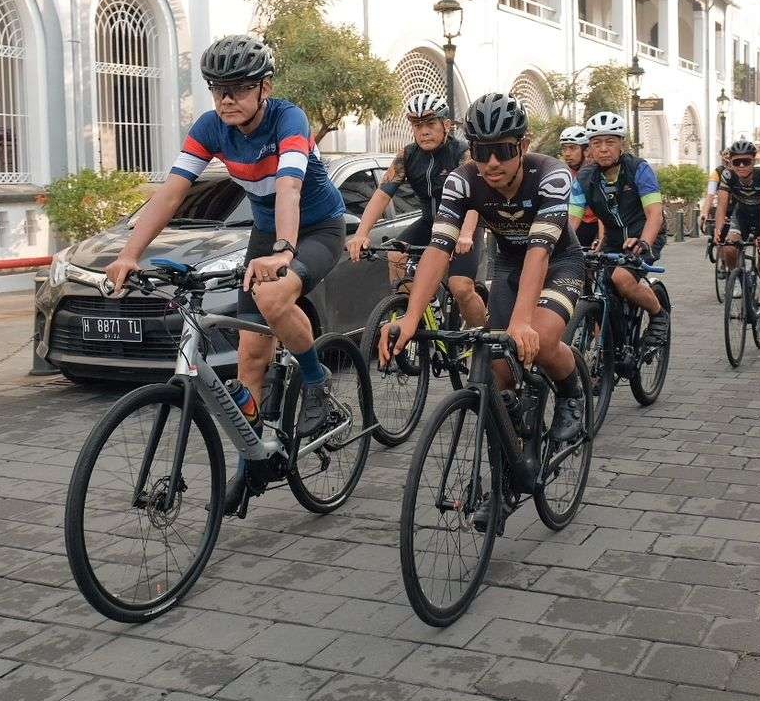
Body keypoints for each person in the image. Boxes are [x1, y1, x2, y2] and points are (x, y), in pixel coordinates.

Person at [105, 34, 345, 436]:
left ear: (265, 87)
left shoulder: (289, 120)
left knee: (272, 296)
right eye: (217, 89)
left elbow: (289, 187)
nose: (225, 99)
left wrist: (284, 252)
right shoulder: (211, 128)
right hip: (266, 234)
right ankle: (250, 466)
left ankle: (316, 380)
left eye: (237, 89)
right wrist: (129, 254)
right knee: (249, 355)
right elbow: (170, 196)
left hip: (318, 228)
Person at [382, 94, 588, 443]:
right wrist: (412, 316)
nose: (492, 163)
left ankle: (571, 393)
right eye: (481, 152)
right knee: (498, 365)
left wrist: (522, 322)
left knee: (543, 338)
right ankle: (512, 446)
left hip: (558, 262)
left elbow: (539, 252)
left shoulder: (551, 174)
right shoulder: (462, 181)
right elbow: (438, 248)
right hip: (509, 263)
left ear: (523, 146)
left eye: (504, 151)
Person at [346, 92, 485, 328]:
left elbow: (475, 199)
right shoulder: (407, 155)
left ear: (447, 125)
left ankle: (482, 342)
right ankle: (421, 315)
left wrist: (465, 234)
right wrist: (361, 233)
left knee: (460, 287)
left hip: (463, 225)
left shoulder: (462, 154)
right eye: (418, 125)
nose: (424, 131)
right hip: (429, 223)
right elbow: (381, 195)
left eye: (430, 124)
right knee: (395, 255)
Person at [567, 112, 671, 348]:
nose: (603, 149)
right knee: (598, 287)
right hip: (613, 241)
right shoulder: (584, 179)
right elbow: (571, 221)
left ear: (622, 144)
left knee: (622, 278)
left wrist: (643, 242)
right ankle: (605, 352)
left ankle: (658, 313)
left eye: (610, 142)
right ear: (589, 149)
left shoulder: (639, 169)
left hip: (645, 236)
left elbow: (654, 214)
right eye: (596, 143)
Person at [712, 138, 760, 341]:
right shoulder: (727, 175)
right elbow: (722, 206)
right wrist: (718, 229)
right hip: (741, 216)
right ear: (730, 162)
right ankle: (737, 278)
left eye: (746, 162)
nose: (741, 166)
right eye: (737, 162)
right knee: (730, 247)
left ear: (753, 161)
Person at [559, 125, 600, 251]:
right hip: (578, 222)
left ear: (586, 150)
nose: (567, 153)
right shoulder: (563, 174)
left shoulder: (598, 170)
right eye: (564, 149)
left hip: (602, 224)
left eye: (572, 148)